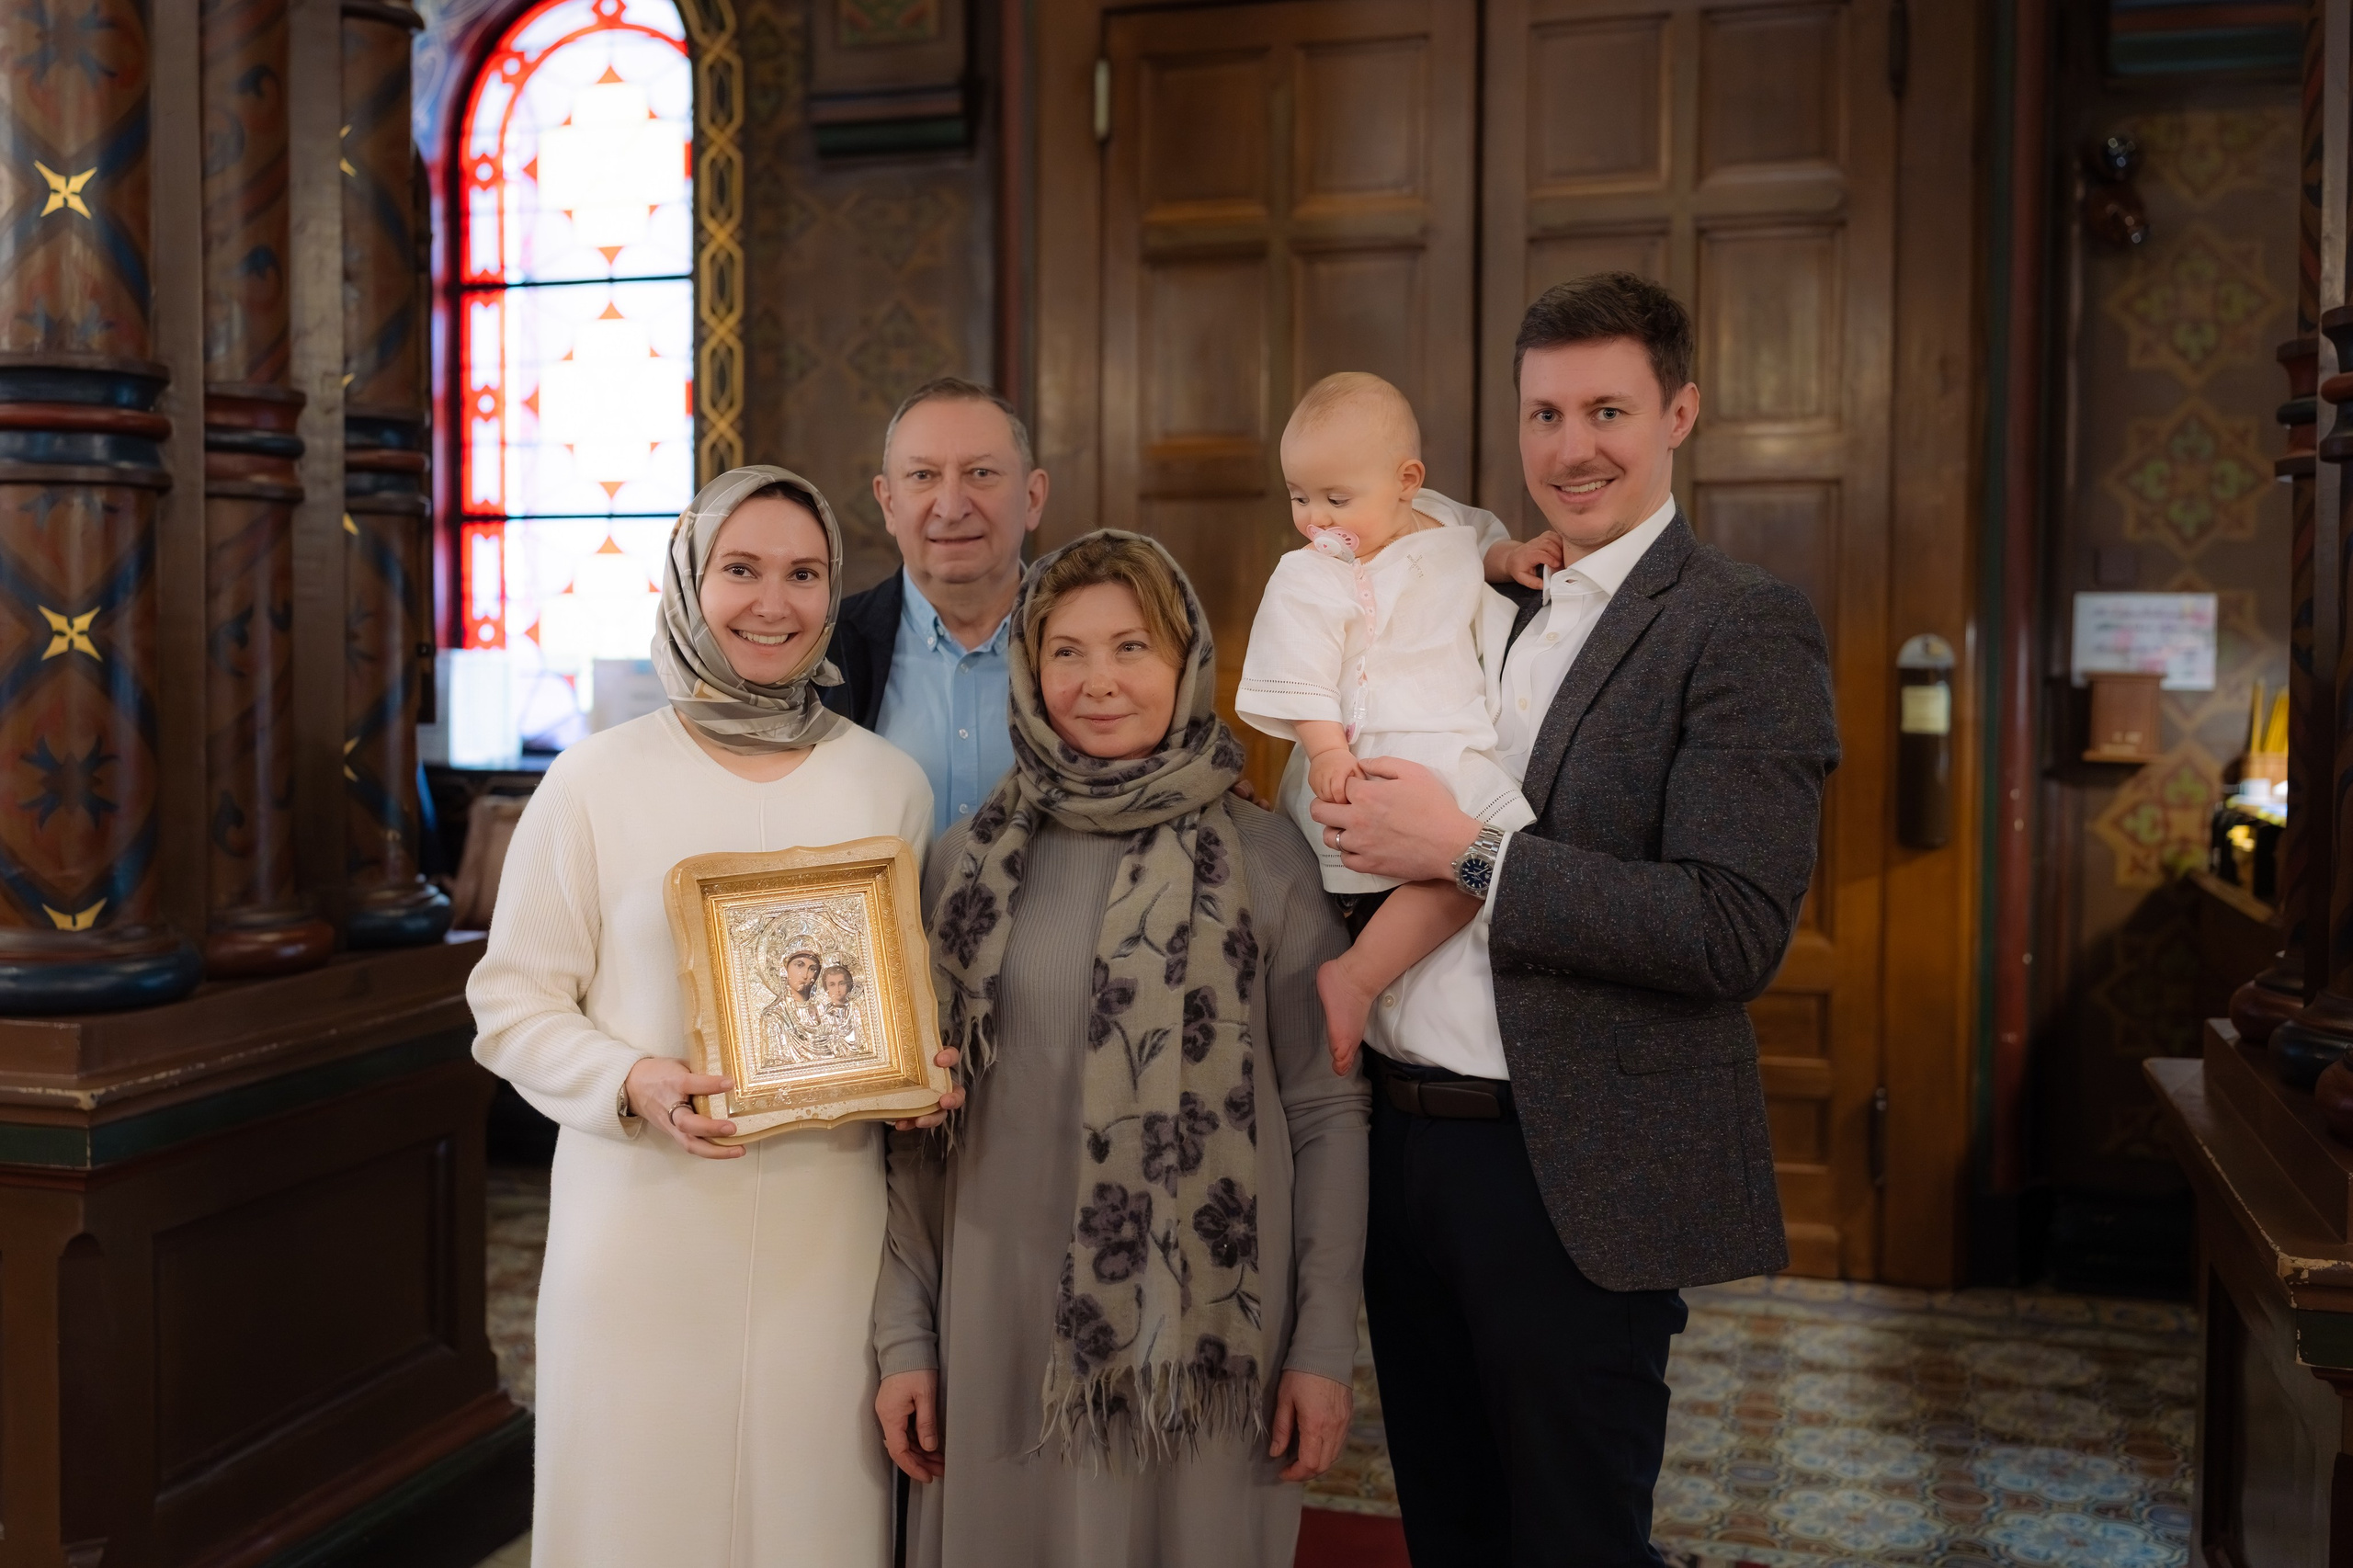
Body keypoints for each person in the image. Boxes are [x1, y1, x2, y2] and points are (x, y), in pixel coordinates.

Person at [1308, 274, 1840, 1566]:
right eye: (1544, 414)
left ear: (1680, 412)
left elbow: (1728, 926)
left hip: (1569, 1168)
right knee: (1450, 1528)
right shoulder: (1468, 591)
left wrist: (1473, 852)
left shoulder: (1738, 623)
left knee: (1574, 1542)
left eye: (1608, 408)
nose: (1572, 446)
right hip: (1406, 1142)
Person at [468, 465, 958, 1567]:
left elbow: (896, 989)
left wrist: (916, 1065)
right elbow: (511, 1000)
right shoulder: (594, 780)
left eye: (802, 572)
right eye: (740, 570)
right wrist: (629, 1079)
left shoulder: (889, 785)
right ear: (689, 581)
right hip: (642, 1221)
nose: (771, 603)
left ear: (835, 593)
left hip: (825, 1233)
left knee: (809, 1521)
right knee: (640, 1523)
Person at [870, 531, 1370, 1568]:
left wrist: (1323, 1343)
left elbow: (1327, 1114)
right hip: (994, 1320)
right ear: (1029, 665)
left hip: (1205, 1339)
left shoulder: (1266, 858)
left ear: (1185, 660)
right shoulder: (961, 866)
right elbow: (912, 1132)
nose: (1098, 682)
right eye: (1066, 651)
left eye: (1132, 646)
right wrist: (904, 1336)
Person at [1234, 371, 1562, 1066]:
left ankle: (1353, 978)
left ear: (1406, 481)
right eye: (1299, 497)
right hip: (1375, 743)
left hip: (1450, 732)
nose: (1316, 519)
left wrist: (1511, 558)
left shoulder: (1441, 519)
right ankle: (1352, 977)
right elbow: (1301, 668)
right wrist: (1324, 751)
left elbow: (1477, 546)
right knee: (1461, 863)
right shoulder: (1312, 573)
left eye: (1336, 498)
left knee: (1491, 860)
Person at [824, 377, 1049, 835]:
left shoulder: (1098, 649)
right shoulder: (821, 649)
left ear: (1032, 497)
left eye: (981, 473)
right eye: (923, 476)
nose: (950, 507)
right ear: (888, 502)